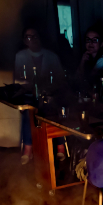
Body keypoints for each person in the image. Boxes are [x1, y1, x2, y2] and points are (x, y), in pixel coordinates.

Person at [13, 26, 66, 163]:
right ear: (25, 40)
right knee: (28, 110)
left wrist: (49, 87)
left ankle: (60, 147)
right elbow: (18, 80)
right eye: (28, 37)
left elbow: (60, 78)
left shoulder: (51, 56)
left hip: (49, 95)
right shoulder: (20, 56)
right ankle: (28, 149)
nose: (32, 40)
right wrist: (29, 85)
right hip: (29, 95)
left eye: (35, 36)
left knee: (54, 108)